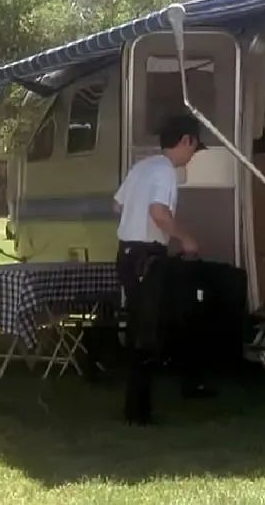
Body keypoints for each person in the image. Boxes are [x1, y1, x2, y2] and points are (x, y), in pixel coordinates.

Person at [111, 114, 208, 422]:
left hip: (127, 253)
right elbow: (158, 212)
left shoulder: (142, 167)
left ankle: (138, 404)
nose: (192, 156)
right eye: (194, 148)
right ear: (186, 140)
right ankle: (138, 411)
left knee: (142, 324)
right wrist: (185, 238)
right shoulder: (165, 171)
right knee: (147, 330)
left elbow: (117, 204)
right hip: (146, 255)